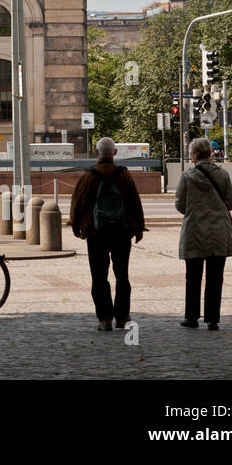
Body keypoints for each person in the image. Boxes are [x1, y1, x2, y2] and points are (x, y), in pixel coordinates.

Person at [69, 136, 147, 330]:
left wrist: (76, 225)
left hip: (96, 232)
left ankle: (104, 319)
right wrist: (138, 227)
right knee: (122, 275)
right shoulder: (124, 174)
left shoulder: (88, 176)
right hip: (121, 231)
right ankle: (122, 316)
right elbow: (134, 202)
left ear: (96, 153)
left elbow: (77, 203)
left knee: (99, 276)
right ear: (115, 153)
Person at [175, 137, 232, 330]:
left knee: (193, 276)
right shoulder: (223, 174)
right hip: (219, 229)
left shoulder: (187, 176)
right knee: (215, 276)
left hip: (194, 230)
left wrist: (196, 211)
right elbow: (231, 201)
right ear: (210, 153)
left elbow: (180, 204)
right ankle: (212, 319)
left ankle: (191, 317)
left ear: (193, 154)